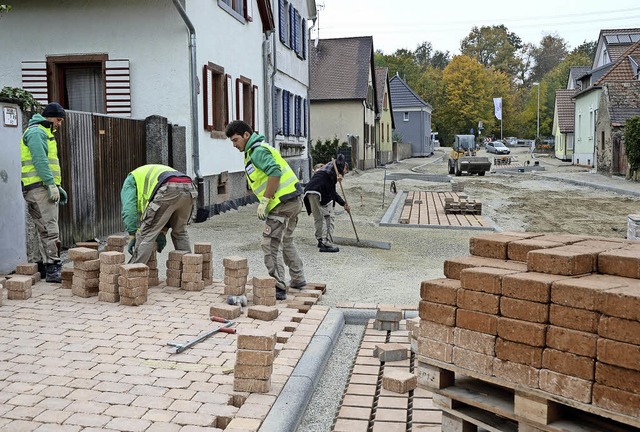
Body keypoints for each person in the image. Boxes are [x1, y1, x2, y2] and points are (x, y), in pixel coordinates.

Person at [225, 120, 306, 300]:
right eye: (232, 141)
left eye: (236, 140)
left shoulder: (257, 151)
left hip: (281, 203)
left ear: (247, 135)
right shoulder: (257, 149)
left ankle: (277, 286)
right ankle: (298, 279)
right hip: (293, 199)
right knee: (287, 240)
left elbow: (274, 172)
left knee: (269, 244)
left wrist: (265, 200)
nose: (234, 145)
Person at [21, 102, 68, 283]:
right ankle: (53, 268)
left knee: (43, 227)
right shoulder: (37, 132)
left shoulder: (41, 132)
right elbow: (40, 160)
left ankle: (43, 264)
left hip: (36, 187)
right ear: (49, 117)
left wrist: (57, 186)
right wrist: (50, 184)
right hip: (39, 188)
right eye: (58, 119)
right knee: (50, 228)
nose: (59, 123)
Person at [120, 164, 197, 265]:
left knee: (146, 235)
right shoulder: (147, 174)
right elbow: (167, 211)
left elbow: (129, 210)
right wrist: (163, 231)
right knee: (180, 232)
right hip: (189, 188)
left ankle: (133, 274)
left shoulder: (130, 181)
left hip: (168, 187)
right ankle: (190, 271)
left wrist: (132, 235)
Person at [303, 155, 351, 252]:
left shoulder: (327, 172)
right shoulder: (335, 167)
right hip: (320, 191)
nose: (345, 173)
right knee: (329, 217)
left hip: (310, 191)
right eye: (345, 171)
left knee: (318, 217)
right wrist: (340, 172)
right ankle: (327, 243)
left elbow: (333, 192)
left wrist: (343, 203)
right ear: (344, 167)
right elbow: (340, 158)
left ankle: (320, 240)